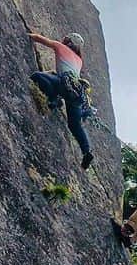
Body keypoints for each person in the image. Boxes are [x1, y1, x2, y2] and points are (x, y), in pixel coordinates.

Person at [29, 30, 94, 170]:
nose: (63, 39)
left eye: (66, 39)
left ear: (68, 42)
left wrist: (25, 34)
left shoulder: (60, 46)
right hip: (76, 94)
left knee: (37, 76)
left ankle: (54, 100)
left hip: (63, 84)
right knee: (75, 125)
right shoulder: (79, 61)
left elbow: (39, 39)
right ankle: (87, 151)